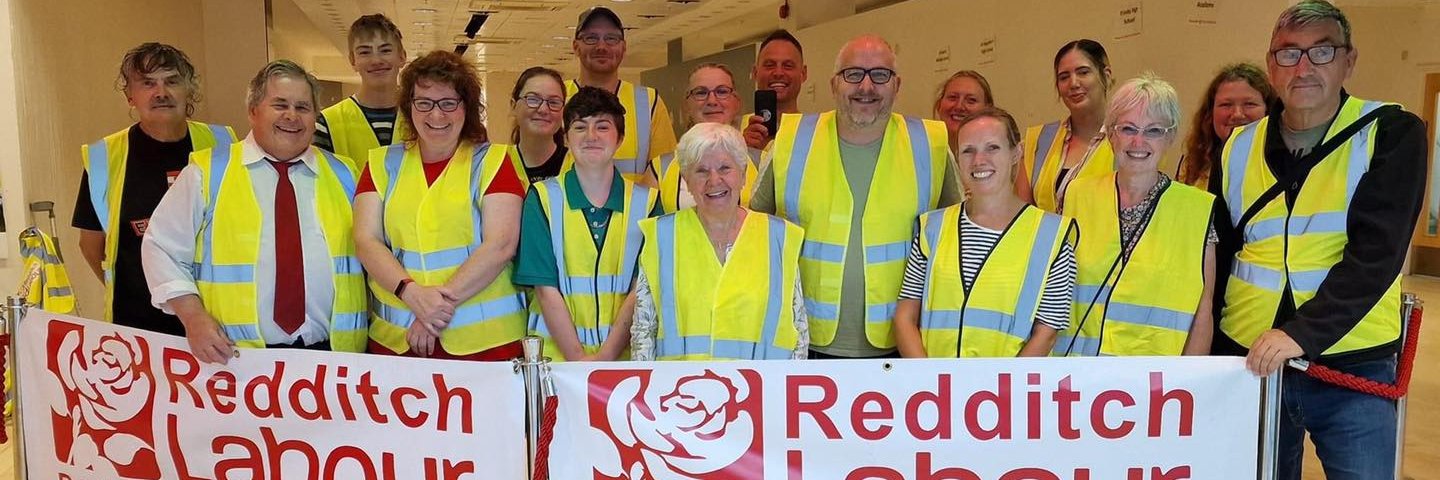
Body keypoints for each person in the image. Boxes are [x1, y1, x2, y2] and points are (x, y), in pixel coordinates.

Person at [1213, 2, 1426, 477]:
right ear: (1271, 65)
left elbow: (1378, 254)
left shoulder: (1390, 132)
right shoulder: (1238, 146)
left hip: (1352, 365)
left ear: (1349, 61)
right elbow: (1221, 254)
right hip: (1250, 361)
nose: (1304, 66)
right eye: (1288, 54)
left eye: (1321, 51)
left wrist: (1298, 335)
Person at [750, 34, 962, 359]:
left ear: (897, 85)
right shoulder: (790, 142)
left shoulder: (931, 145)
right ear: (834, 84)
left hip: (903, 345)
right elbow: (752, 232)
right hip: (806, 343)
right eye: (853, 74)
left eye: (880, 75)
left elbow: (959, 236)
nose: (866, 87)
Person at [141, 60, 366, 364]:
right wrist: (192, 317)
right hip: (236, 361)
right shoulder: (207, 173)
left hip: (333, 359)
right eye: (280, 104)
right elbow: (161, 248)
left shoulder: (345, 174)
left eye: (303, 107)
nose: (292, 115)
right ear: (253, 111)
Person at [354, 51, 528, 360]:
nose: (437, 115)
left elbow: (501, 245)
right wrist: (412, 293)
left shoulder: (493, 162)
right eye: (424, 102)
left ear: (467, 108)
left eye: (449, 103)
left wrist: (434, 308)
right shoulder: (381, 164)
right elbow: (367, 241)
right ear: (409, 106)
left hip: (485, 345)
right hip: (396, 342)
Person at [75, 43, 236, 333]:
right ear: (130, 96)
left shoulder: (224, 145)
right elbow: (91, 246)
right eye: (148, 83)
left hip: (214, 324)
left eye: (171, 81)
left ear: (190, 89)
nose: (161, 92)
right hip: (136, 328)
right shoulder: (103, 159)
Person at [1055, 73, 1216, 357]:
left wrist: (1188, 387)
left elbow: (1203, 314)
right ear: (1112, 135)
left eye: (1153, 131)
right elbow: (1054, 292)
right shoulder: (1077, 195)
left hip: (1155, 385)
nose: (1138, 142)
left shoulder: (1197, 210)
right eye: (1128, 128)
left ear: (1170, 138)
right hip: (1078, 378)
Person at [894, 107, 1074, 358]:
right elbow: (905, 317)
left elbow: (1047, 333)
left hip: (1006, 392)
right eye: (968, 150)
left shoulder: (1053, 236)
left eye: (992, 147)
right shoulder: (931, 228)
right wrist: (931, 384)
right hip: (935, 391)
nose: (979, 160)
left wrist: (996, 393)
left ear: (1016, 153)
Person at [631, 123, 807, 360]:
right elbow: (644, 332)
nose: (714, 180)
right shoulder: (662, 235)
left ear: (743, 175)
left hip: (763, 392)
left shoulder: (779, 236)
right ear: (687, 181)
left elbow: (798, 334)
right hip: (681, 393)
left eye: (725, 168)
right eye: (701, 171)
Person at [514, 86, 661, 361]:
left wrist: (604, 358)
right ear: (566, 138)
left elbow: (640, 290)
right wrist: (579, 361)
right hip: (555, 363)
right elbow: (546, 291)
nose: (591, 136)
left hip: (624, 363)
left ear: (620, 139)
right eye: (580, 127)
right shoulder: (541, 200)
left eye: (603, 127)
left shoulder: (649, 203)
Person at [568, 6, 677, 183]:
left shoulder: (649, 102)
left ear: (623, 47)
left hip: (636, 209)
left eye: (611, 38)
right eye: (591, 38)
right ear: (575, 46)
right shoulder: (555, 98)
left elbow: (666, 170)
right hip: (564, 209)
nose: (601, 46)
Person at [1017, 39, 1116, 213]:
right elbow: (1023, 215)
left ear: (1106, 76)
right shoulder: (1038, 141)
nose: (1074, 83)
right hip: (1044, 240)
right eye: (1064, 77)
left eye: (1083, 72)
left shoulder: (1127, 140)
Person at [653, 63, 764, 212]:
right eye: (700, 93)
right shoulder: (660, 168)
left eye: (722, 91)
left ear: (736, 103)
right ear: (686, 105)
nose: (712, 100)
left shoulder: (763, 163)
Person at [315, 14, 407, 164]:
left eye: (385, 50)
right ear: (353, 60)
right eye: (365, 52)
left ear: (402, 57)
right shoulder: (326, 123)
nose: (376, 60)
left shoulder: (422, 117)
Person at [1177, 63, 1275, 189]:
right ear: (1210, 113)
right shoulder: (1193, 164)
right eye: (1226, 105)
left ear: (1269, 110)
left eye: (1249, 104)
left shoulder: (1283, 163)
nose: (1237, 114)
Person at [742, 29, 809, 150]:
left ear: (803, 74)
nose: (778, 73)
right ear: (755, 72)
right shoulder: (735, 130)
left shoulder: (816, 130)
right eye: (769, 65)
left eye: (788, 66)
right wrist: (740, 148)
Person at [509, 66, 568, 184]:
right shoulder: (496, 164)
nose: (543, 110)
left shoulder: (576, 166)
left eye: (554, 102)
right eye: (533, 99)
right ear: (513, 106)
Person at [932, 70, 995, 152]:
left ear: (988, 110)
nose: (959, 106)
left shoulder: (1003, 156)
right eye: (953, 97)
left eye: (971, 100)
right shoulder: (919, 149)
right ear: (939, 105)